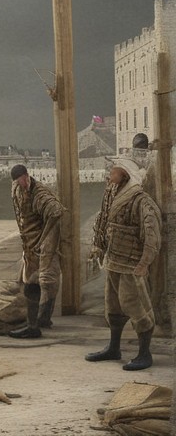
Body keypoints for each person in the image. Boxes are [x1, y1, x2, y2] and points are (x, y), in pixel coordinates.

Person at [85, 157, 162, 370]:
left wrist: (145, 262)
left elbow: (151, 233)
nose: (109, 175)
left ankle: (144, 354)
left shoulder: (141, 200)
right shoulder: (112, 195)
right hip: (114, 261)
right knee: (113, 306)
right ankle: (114, 347)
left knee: (137, 307)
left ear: (124, 175)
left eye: (113, 171)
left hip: (131, 264)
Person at [7, 164, 65, 339]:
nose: (21, 184)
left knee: (45, 281)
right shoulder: (17, 189)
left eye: (22, 180)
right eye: (17, 182)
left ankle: (37, 323)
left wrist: (44, 237)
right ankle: (38, 321)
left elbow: (56, 211)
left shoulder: (39, 193)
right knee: (31, 280)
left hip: (44, 244)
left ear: (27, 176)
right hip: (30, 244)